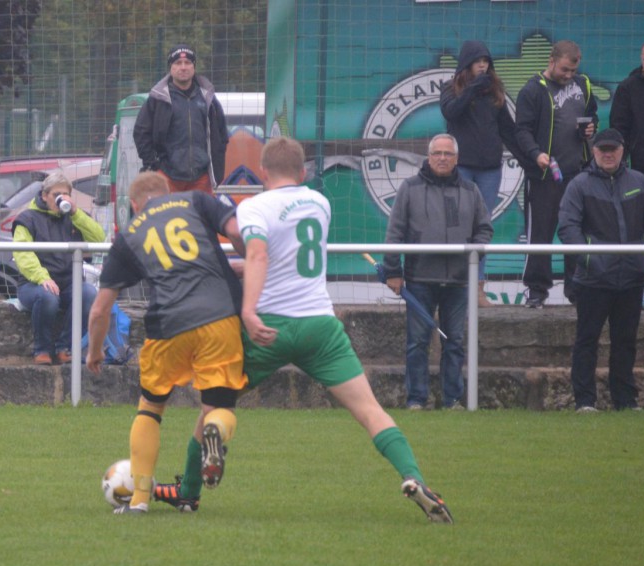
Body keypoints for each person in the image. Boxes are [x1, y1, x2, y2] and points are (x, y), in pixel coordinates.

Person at [153, 137, 453, 523]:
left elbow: (260, 254)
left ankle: (189, 492)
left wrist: (247, 310)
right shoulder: (319, 203)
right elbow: (284, 259)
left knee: (215, 408)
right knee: (369, 410)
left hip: (269, 326)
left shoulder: (255, 207)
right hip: (319, 326)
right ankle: (414, 476)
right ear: (303, 172)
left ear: (262, 173)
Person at [86, 171, 247, 515]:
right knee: (218, 405)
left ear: (133, 204)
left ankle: (141, 500)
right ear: (168, 191)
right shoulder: (196, 200)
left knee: (150, 407)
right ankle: (216, 431)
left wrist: (95, 350)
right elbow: (235, 231)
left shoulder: (129, 235)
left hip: (168, 324)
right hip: (220, 315)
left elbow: (100, 309)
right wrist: (254, 262)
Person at [383, 134, 493, 411]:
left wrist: (473, 252)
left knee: (455, 342)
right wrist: (392, 271)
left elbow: (484, 230)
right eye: (437, 153)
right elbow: (394, 232)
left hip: (458, 281)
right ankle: (416, 400)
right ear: (428, 156)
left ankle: (452, 400)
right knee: (417, 343)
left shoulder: (471, 191)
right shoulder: (409, 189)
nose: (442, 158)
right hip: (420, 278)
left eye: (448, 153)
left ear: (456, 159)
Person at [557, 128, 644, 412]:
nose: (608, 154)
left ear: (622, 150)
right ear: (594, 151)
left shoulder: (639, 182)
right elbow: (568, 227)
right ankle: (585, 401)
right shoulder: (579, 185)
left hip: (632, 277)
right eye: (603, 149)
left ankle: (625, 400)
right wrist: (590, 257)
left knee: (625, 341)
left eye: (613, 149)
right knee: (586, 340)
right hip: (593, 279)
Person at [514, 40, 598, 308]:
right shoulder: (532, 90)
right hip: (544, 175)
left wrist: (589, 128)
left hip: (578, 174)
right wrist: (535, 153)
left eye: (573, 71)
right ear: (551, 60)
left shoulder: (583, 85)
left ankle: (577, 289)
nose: (568, 76)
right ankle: (537, 291)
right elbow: (522, 130)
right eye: (564, 70)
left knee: (576, 231)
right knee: (540, 233)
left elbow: (591, 114)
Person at [439, 40, 521, 307]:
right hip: (462, 167)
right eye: (477, 61)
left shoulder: (494, 91)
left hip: (490, 170)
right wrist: (471, 90)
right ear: (466, 64)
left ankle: (478, 287)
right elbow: (451, 112)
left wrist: (529, 158)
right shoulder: (451, 89)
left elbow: (508, 129)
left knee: (482, 227)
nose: (483, 65)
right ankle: (456, 286)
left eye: (486, 60)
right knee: (457, 224)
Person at [12, 171, 106, 365]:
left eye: (65, 194)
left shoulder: (74, 216)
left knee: (88, 293)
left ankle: (65, 347)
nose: (61, 198)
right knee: (48, 296)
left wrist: (76, 213)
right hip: (33, 284)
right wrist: (43, 278)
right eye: (56, 194)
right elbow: (23, 254)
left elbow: (98, 239)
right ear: (44, 195)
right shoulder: (27, 219)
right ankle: (42, 350)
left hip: (68, 282)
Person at [133, 44, 229, 194]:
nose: (183, 67)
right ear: (170, 68)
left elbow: (222, 133)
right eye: (178, 63)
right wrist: (153, 164)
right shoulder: (158, 99)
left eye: (187, 63)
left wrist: (214, 164)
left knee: (199, 218)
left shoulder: (207, 98)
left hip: (201, 178)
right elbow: (140, 133)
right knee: (168, 218)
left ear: (194, 67)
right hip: (167, 177)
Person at [609, 38, 644, 187]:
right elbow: (619, 128)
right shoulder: (628, 88)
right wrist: (619, 163)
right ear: (641, 60)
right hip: (642, 169)